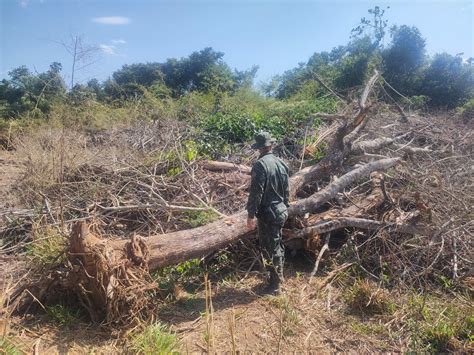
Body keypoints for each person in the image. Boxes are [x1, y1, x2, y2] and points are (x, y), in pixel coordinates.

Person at [246, 131, 289, 295]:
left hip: (268, 214)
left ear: (259, 148)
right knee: (277, 245)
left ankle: (274, 286)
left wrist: (251, 215)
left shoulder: (260, 165)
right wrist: (285, 207)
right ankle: (277, 279)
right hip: (280, 211)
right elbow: (287, 191)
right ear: (270, 145)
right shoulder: (281, 163)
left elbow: (256, 193)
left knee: (270, 248)